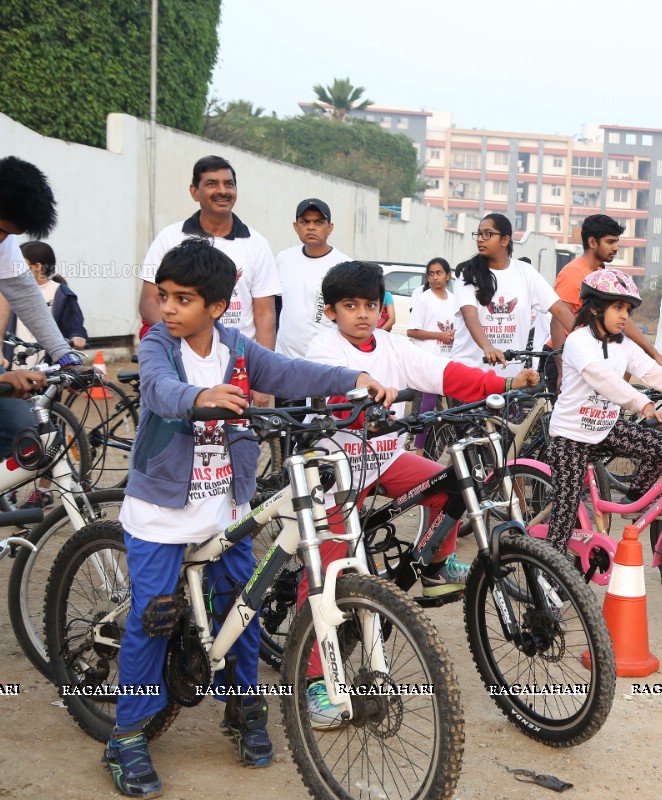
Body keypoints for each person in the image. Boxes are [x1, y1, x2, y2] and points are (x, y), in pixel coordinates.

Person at [109, 238, 393, 798]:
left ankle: (241, 710)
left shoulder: (236, 346)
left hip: (224, 509)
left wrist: (350, 381)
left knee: (244, 606)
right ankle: (127, 734)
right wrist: (200, 396)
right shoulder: (158, 347)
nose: (167, 308)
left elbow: (286, 372)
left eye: (182, 299)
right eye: (164, 296)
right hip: (162, 514)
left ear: (216, 307)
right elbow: (161, 393)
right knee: (153, 618)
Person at [300, 260, 537, 727]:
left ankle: (433, 566)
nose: (363, 314)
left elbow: (443, 374)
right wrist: (361, 398)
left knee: (448, 483)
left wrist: (504, 382)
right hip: (333, 469)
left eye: (371, 305)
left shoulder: (392, 345)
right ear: (331, 311)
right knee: (324, 570)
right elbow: (327, 389)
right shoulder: (321, 348)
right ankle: (314, 682)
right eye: (350, 306)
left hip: (384, 457)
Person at [545, 269, 662, 556]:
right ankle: (545, 578)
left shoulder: (623, 345)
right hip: (570, 437)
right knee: (565, 516)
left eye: (627, 310)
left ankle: (636, 501)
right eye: (617, 307)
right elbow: (603, 379)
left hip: (605, 429)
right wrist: (642, 403)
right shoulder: (579, 342)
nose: (624, 316)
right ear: (595, 307)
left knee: (661, 446)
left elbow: (657, 375)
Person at [139, 156, 281, 405]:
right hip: (180, 359)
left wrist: (263, 379)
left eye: (229, 184)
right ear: (194, 192)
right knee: (181, 430)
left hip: (236, 365)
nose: (222, 191)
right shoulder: (170, 238)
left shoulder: (256, 244)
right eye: (212, 184)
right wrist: (183, 330)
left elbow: (265, 314)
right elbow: (149, 301)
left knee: (235, 436)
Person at [0, 156, 81, 462]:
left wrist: (65, 355)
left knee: (24, 430)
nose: (4, 240)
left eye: (11, 235)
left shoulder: (3, 242)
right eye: (2, 230)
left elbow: (25, 295)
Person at [451, 213, 574, 378]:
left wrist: (587, 339)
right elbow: (470, 316)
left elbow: (559, 309)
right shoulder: (468, 273)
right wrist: (488, 347)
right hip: (470, 374)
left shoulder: (526, 272)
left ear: (505, 240)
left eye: (487, 234)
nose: (480, 239)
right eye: (479, 234)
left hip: (511, 379)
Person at [554, 214, 662, 369]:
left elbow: (622, 320)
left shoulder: (603, 274)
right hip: (568, 357)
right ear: (592, 242)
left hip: (591, 354)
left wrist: (655, 354)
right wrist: (560, 367)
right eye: (610, 242)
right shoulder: (573, 273)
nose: (616, 248)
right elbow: (556, 321)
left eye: (617, 242)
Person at [274, 198, 349, 359]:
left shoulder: (345, 265)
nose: (311, 227)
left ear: (330, 228)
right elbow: (276, 306)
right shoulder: (284, 258)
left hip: (325, 360)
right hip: (284, 359)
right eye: (305, 221)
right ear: (296, 227)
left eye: (319, 222)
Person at [2, 241, 87, 364]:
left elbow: (75, 325)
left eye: (19, 264)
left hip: (48, 368)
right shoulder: (11, 292)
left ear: (37, 267)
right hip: (15, 366)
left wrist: (77, 336)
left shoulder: (61, 293)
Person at [407, 257, 456, 453]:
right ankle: (419, 450)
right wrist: (440, 335)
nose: (435, 277)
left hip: (449, 361)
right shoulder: (424, 299)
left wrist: (453, 337)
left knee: (455, 407)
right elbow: (412, 331)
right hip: (429, 361)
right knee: (427, 407)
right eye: (431, 274)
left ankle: (454, 448)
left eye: (439, 273)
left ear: (448, 275)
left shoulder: (454, 300)